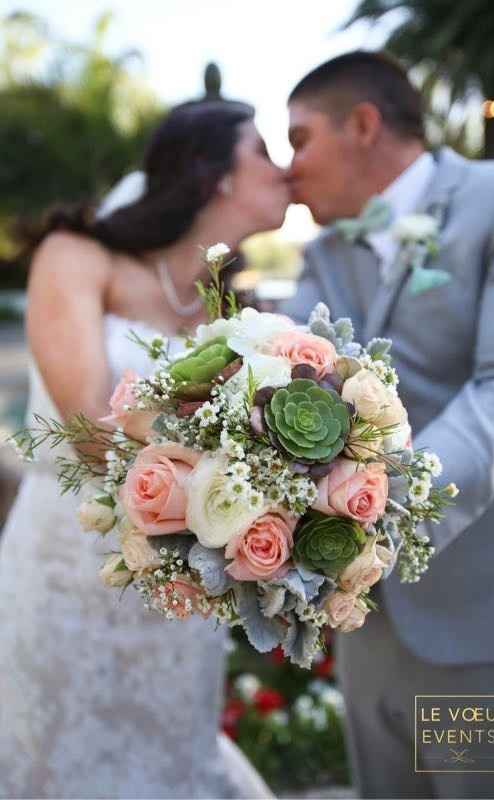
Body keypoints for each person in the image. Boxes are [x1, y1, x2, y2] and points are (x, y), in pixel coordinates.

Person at [0, 99, 288, 799]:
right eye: (263, 150)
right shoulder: (77, 256)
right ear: (214, 172)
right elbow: (89, 432)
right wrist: (240, 478)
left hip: (185, 580)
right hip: (73, 566)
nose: (283, 170)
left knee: (172, 753)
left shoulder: (231, 311)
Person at [281, 51, 494, 799]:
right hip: (364, 622)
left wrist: (385, 509)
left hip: (475, 613)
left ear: (362, 125)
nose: (290, 168)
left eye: (299, 139)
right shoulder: (323, 252)